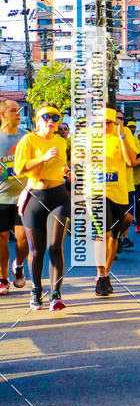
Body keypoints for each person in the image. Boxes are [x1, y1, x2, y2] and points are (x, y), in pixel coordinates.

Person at [14, 104, 70, 311]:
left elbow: (62, 165)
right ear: (38, 119)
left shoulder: (61, 141)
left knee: (56, 247)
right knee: (36, 251)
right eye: (46, 117)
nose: (51, 121)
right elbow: (19, 169)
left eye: (55, 118)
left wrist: (67, 171)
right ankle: (36, 290)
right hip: (36, 196)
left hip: (59, 196)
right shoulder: (29, 140)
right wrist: (43, 158)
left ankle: (56, 295)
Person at [92, 108, 139, 297]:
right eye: (101, 123)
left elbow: (131, 161)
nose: (105, 126)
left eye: (109, 123)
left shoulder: (123, 135)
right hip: (96, 192)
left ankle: (106, 273)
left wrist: (121, 137)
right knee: (103, 232)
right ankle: (100, 274)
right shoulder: (88, 138)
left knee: (114, 236)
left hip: (119, 192)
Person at [0, 99, 29, 294]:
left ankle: (18, 265)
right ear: (2, 115)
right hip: (1, 197)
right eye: (13, 111)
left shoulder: (27, 138)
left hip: (23, 196)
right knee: (1, 238)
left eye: (19, 111)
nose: (17, 114)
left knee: (23, 238)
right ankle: (3, 278)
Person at [116, 111, 140, 249]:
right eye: (116, 118)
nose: (118, 121)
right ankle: (113, 242)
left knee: (128, 218)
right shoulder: (102, 134)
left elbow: (136, 158)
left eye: (121, 118)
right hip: (110, 186)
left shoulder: (127, 134)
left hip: (128, 184)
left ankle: (118, 236)